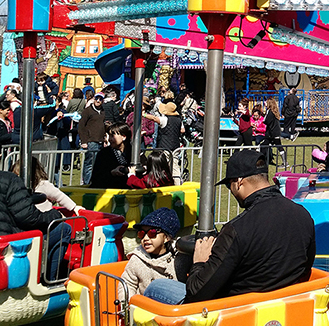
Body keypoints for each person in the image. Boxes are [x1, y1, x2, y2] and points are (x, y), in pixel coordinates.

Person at [143, 150, 316, 304]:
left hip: (235, 311)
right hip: (284, 306)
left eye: (229, 185)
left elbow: (196, 292)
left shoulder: (237, 230)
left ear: (239, 181)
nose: (231, 191)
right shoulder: (303, 215)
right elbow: (305, 268)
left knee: (156, 288)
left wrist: (199, 262)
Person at [0, 138, 70, 278]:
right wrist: (54, 215)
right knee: (63, 229)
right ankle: (50, 281)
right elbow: (28, 217)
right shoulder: (8, 179)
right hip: (4, 244)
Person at [121, 208, 181, 300]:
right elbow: (127, 284)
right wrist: (128, 306)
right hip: (146, 309)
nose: (145, 238)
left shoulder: (178, 257)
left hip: (172, 307)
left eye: (151, 233)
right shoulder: (137, 260)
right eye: (141, 234)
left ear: (167, 237)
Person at [10, 157, 81, 214]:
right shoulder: (17, 188)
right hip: (30, 220)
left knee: (66, 228)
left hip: (45, 218)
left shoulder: (43, 185)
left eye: (20, 176)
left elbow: (59, 196)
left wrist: (73, 207)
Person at [144, 90, 183, 184]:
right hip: (176, 145)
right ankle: (177, 184)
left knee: (162, 165)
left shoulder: (164, 119)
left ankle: (162, 181)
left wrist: (144, 114)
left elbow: (154, 118)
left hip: (165, 145)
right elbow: (182, 130)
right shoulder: (178, 120)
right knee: (175, 166)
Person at [89, 123, 131, 188]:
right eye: (109, 136)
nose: (109, 139)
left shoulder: (134, 152)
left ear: (124, 137)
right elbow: (96, 178)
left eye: (113, 135)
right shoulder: (104, 154)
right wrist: (112, 173)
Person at [78, 93, 107, 186]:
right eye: (96, 99)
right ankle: (87, 183)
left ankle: (95, 182)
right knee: (89, 163)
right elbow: (81, 126)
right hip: (91, 140)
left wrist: (105, 139)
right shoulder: (88, 111)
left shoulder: (103, 111)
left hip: (100, 140)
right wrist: (84, 141)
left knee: (98, 163)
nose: (98, 101)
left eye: (100, 99)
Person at [260, 97, 282, 166]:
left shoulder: (270, 112)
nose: (265, 103)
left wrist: (263, 120)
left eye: (266, 102)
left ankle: (285, 162)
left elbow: (267, 121)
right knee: (265, 145)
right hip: (270, 133)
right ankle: (266, 160)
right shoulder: (272, 111)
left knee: (279, 146)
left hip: (273, 133)